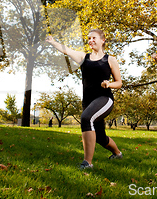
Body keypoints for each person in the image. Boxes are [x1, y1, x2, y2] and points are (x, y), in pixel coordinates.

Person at [46, 29, 123, 170]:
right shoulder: (84, 57)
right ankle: (117, 154)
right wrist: (53, 42)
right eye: (89, 38)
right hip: (88, 101)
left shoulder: (110, 60)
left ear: (102, 40)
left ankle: (87, 163)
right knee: (99, 137)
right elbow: (67, 50)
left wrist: (109, 84)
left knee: (86, 118)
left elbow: (119, 82)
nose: (90, 41)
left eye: (94, 38)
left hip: (105, 99)